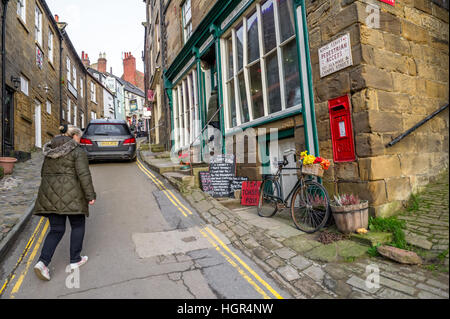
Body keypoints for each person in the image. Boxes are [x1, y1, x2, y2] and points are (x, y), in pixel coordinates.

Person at [33, 124, 96, 281]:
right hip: (73, 196)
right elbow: (84, 175)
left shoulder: (49, 152)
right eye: (79, 137)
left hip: (50, 196)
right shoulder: (77, 151)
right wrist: (90, 195)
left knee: (56, 230)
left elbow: (43, 174)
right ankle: (75, 260)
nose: (80, 140)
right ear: (74, 136)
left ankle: (42, 263)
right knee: (77, 225)